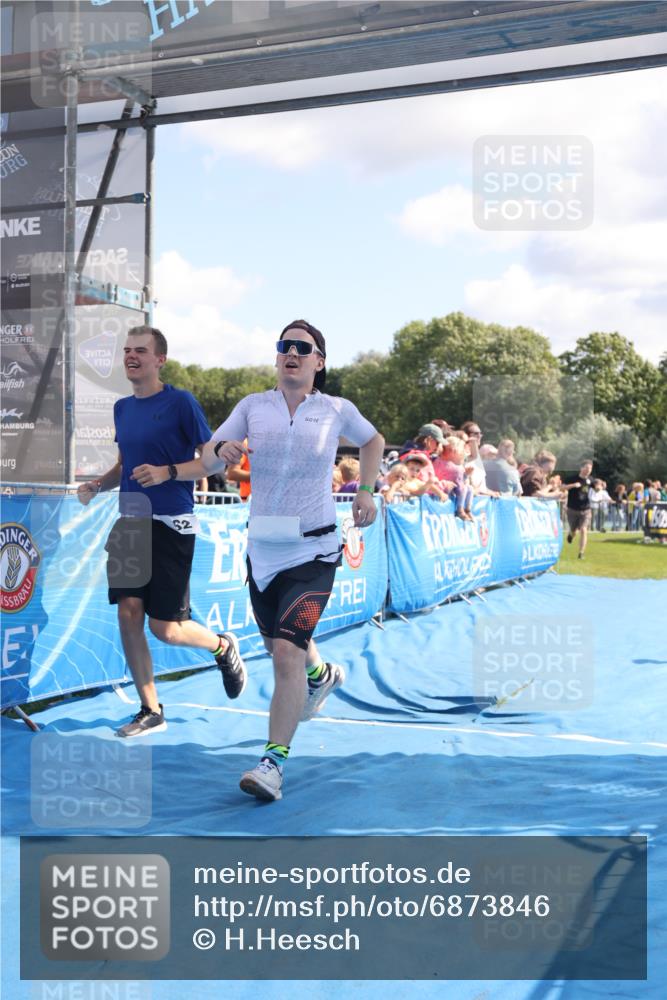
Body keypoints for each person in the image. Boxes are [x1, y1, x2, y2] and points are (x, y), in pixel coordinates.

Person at [167, 319, 384, 802]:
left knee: (286, 650)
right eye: (284, 346)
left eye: (302, 348)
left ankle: (272, 764)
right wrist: (219, 449)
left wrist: (367, 490)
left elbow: (373, 441)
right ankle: (321, 676)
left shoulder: (335, 409)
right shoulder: (252, 407)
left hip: (316, 547)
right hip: (263, 550)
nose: (291, 353)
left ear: (318, 361)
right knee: (277, 644)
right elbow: (207, 458)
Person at [77, 326, 247, 737]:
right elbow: (125, 464)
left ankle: (222, 646)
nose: (131, 356)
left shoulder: (181, 403)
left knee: (165, 628)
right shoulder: (122, 408)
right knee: (128, 613)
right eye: (127, 350)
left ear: (160, 360)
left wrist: (167, 472)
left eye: (141, 350)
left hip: (173, 523)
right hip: (131, 521)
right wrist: (98, 485)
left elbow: (210, 463)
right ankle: (150, 709)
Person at [562, 459, 594, 558]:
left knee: (584, 529)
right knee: (573, 530)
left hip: (586, 510)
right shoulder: (572, 478)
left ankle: (581, 553)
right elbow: (562, 488)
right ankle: (571, 535)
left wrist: (599, 487)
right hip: (572, 509)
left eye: (590, 468)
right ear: (581, 468)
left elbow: (596, 487)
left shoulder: (590, 480)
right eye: (587, 468)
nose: (588, 470)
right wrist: (573, 485)